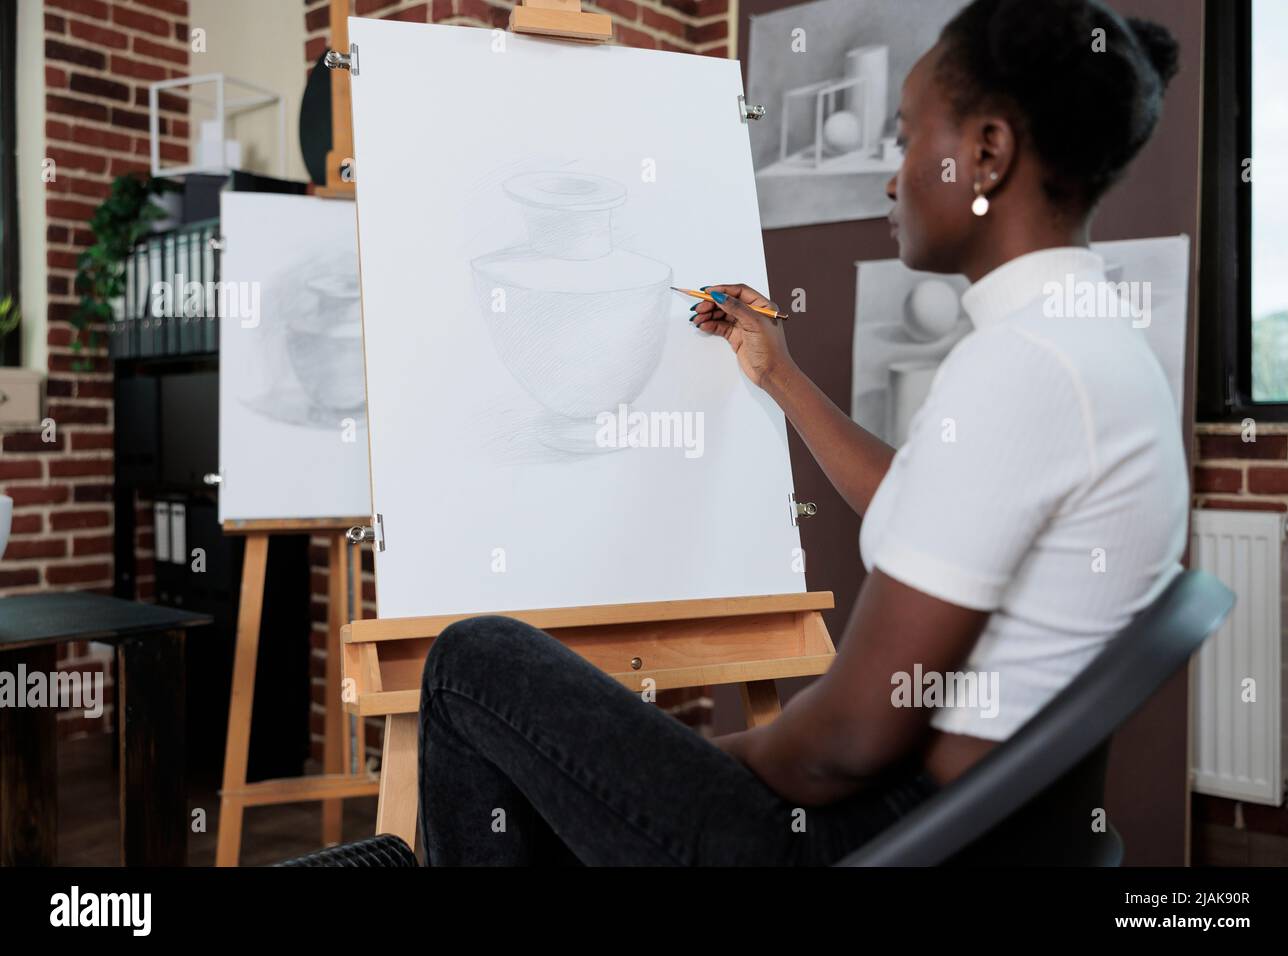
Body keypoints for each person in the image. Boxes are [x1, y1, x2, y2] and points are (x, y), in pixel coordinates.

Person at [418, 0, 1186, 865]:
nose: (892, 178)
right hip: (979, 823)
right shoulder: (1090, 346)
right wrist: (777, 373)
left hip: (882, 835)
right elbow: (927, 506)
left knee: (467, 662)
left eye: (906, 138)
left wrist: (665, 769)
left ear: (988, 153)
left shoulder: (1026, 367)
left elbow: (844, 743)